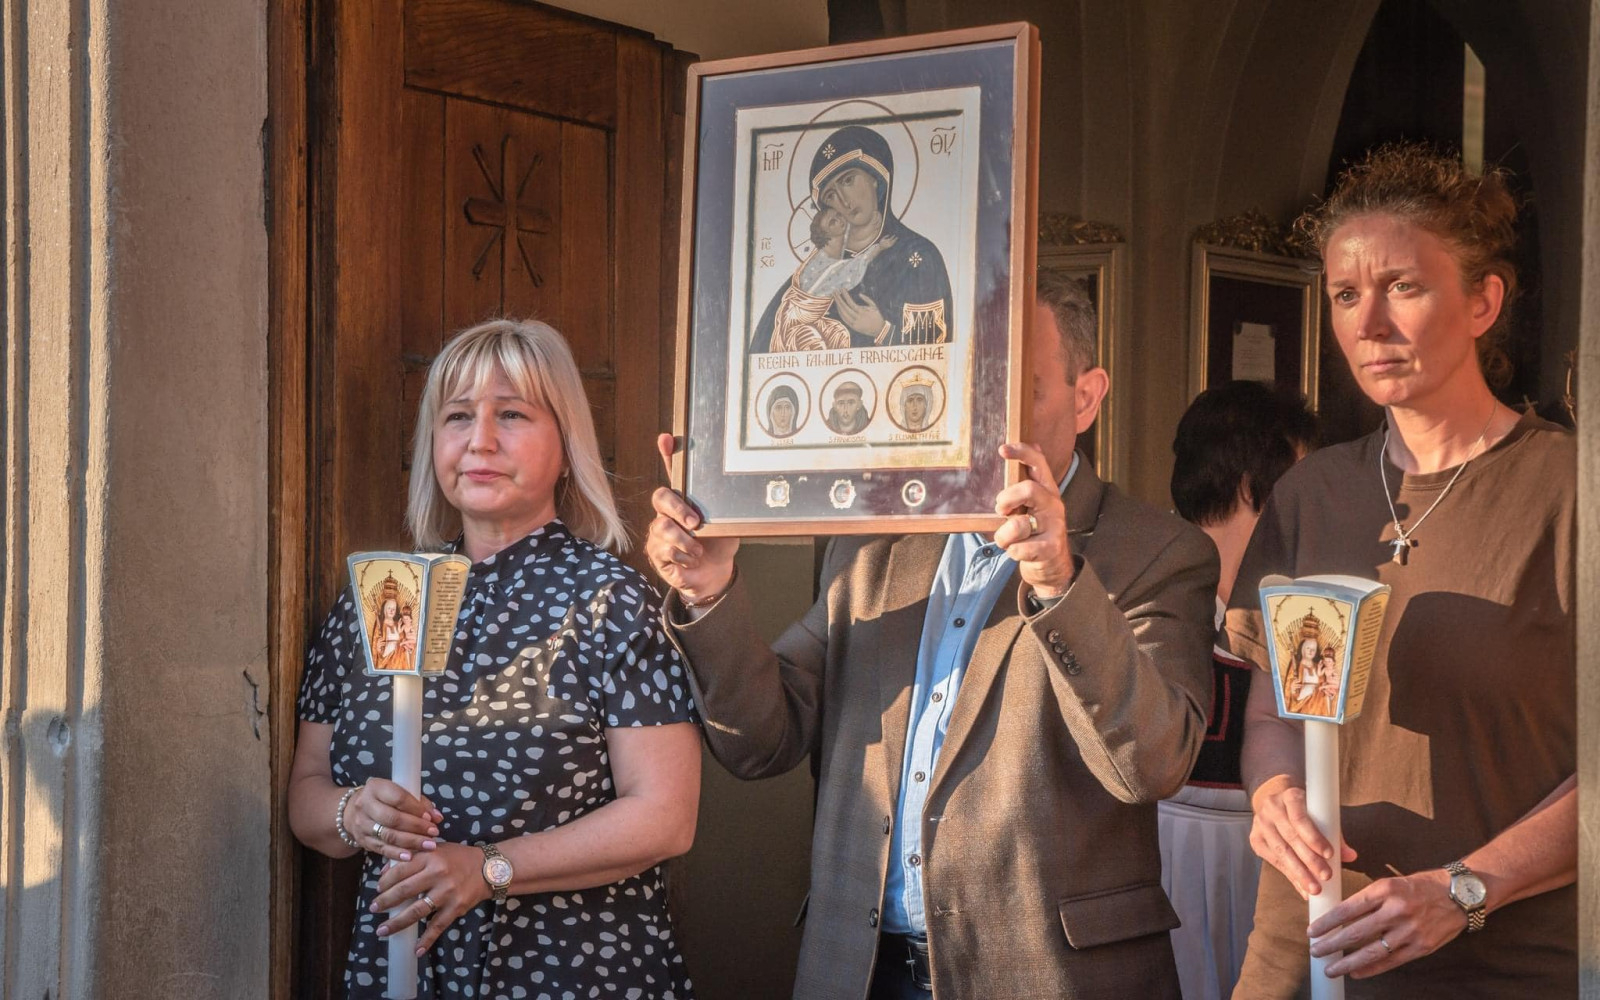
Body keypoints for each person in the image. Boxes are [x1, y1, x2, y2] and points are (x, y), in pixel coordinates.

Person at [649, 267, 1220, 998]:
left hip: (1045, 977)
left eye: (1016, 389)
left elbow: (1153, 762)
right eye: (968, 384)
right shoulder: (876, 542)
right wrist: (708, 589)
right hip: (861, 972)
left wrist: (1059, 582)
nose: (986, 416)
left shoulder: (1158, 552)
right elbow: (762, 742)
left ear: (1086, 397)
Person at [1230, 143, 1577, 997]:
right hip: (1304, 952)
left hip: (1497, 968)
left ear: (1484, 301)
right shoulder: (1310, 495)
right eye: (1346, 295)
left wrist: (1463, 891)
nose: (1369, 323)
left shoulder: (1571, 490)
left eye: (1404, 287)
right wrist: (1273, 793)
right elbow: (1275, 707)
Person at [288, 319, 701, 999]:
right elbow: (306, 794)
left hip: (570, 970)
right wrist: (350, 813)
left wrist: (487, 869)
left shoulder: (610, 602)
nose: (479, 439)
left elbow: (665, 816)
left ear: (565, 443)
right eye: (457, 416)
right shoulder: (386, 594)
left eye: (511, 414)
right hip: (404, 971)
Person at [1161, 380, 1318, 1000]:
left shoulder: (1307, 605)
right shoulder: (1148, 593)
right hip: (1162, 860)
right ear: (1253, 487)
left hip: (1272, 857)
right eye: (1301, 484)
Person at [752, 124, 954, 352]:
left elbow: (936, 348)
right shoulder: (817, 276)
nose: (845, 201)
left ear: (875, 178)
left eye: (848, 180)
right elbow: (764, 353)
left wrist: (882, 330)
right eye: (831, 195)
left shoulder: (918, 257)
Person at [767, 206, 900, 353]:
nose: (839, 220)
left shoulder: (832, 248)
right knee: (815, 346)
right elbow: (852, 268)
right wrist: (879, 247)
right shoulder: (825, 267)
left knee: (838, 333)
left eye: (838, 215)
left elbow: (848, 233)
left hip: (810, 319)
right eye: (832, 222)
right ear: (825, 234)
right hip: (796, 325)